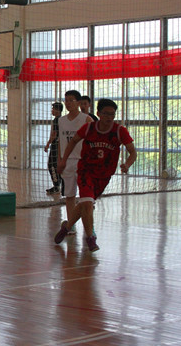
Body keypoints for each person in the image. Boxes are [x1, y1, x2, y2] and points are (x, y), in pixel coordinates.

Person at [54, 98, 137, 252]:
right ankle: (90, 237)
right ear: (98, 113)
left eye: (112, 114)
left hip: (104, 175)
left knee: (85, 204)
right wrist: (63, 159)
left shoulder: (120, 131)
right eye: (106, 114)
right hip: (85, 171)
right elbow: (72, 142)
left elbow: (133, 152)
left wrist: (127, 164)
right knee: (87, 203)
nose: (109, 117)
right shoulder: (89, 128)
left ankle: (67, 227)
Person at [58, 91, 94, 234]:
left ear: (78, 103)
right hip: (68, 161)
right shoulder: (61, 121)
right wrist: (60, 159)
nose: (68, 103)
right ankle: (70, 224)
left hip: (83, 161)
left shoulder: (86, 119)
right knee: (69, 195)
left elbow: (94, 139)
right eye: (66, 100)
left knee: (86, 198)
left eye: (71, 100)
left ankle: (90, 227)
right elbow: (61, 141)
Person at [44, 102, 63, 194]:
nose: (52, 110)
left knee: (51, 165)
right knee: (56, 165)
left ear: (58, 110)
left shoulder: (56, 120)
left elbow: (54, 134)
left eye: (53, 109)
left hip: (56, 145)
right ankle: (58, 184)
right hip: (60, 145)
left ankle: (56, 186)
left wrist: (48, 144)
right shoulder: (62, 120)